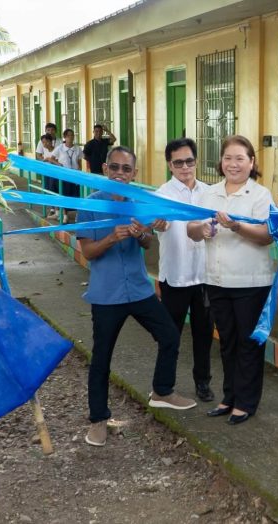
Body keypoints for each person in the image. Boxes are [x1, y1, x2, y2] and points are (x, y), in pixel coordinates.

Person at [77, 146, 196, 447]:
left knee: (170, 335)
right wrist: (110, 238)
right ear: (104, 169)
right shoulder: (88, 204)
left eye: (126, 169)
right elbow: (88, 252)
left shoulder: (139, 202)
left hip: (140, 290)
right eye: (114, 168)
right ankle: (98, 420)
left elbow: (147, 245)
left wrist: (142, 233)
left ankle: (162, 391)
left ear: (134, 173)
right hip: (106, 295)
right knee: (102, 357)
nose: (119, 174)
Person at [187, 136, 274, 425]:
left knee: (248, 343)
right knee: (226, 342)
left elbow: (267, 236)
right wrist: (203, 230)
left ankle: (246, 402)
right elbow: (191, 229)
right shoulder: (208, 194)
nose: (233, 164)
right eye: (228, 158)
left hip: (251, 281)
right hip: (217, 279)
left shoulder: (260, 195)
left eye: (240, 158)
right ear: (220, 162)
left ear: (251, 163)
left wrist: (236, 226)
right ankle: (229, 396)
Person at [150, 138, 215, 403]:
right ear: (170, 165)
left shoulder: (210, 193)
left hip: (205, 276)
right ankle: (164, 387)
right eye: (178, 162)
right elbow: (158, 226)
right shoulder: (160, 195)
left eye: (189, 161)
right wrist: (158, 225)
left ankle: (203, 382)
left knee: (204, 334)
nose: (185, 167)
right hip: (175, 276)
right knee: (170, 336)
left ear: (196, 161)